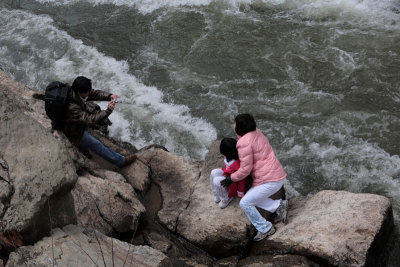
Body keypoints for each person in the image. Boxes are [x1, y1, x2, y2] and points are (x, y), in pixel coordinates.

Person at [220, 113, 288, 242]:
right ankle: (279, 206)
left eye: (234, 123)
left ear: (239, 128)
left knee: (245, 203)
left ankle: (265, 228)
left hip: (269, 181)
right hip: (276, 175)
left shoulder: (243, 143)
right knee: (249, 196)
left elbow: (245, 169)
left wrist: (231, 178)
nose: (233, 125)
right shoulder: (257, 132)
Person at [64, 76, 136, 167]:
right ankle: (121, 161)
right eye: (87, 92)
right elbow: (90, 120)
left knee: (87, 137)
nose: (90, 92)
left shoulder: (78, 92)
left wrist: (109, 96)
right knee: (97, 145)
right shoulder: (72, 106)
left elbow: (93, 93)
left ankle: (82, 148)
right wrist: (108, 111)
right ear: (79, 92)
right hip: (73, 130)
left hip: (77, 122)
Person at [210, 138, 249, 209]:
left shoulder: (238, 163)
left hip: (233, 182)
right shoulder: (227, 156)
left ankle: (226, 198)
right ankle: (216, 193)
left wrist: (240, 191)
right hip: (227, 174)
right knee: (213, 172)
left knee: (217, 181)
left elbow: (242, 178)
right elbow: (227, 167)